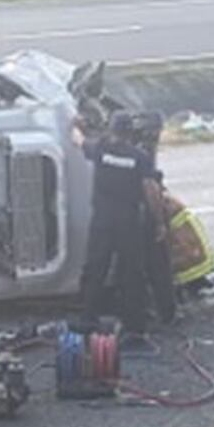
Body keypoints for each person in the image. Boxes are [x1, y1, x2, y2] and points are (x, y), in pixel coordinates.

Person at [76, 111, 158, 335]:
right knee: (132, 273)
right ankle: (135, 326)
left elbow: (80, 142)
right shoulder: (139, 157)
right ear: (130, 132)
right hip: (128, 222)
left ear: (111, 130)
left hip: (102, 220)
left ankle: (88, 319)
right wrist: (158, 220)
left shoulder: (101, 150)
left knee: (96, 269)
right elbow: (150, 189)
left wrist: (76, 125)